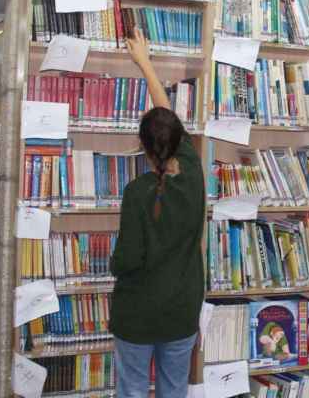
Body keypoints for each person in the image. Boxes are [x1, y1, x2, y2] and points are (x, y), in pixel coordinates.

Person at [110, 28, 205, 397]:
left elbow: (127, 259)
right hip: (181, 312)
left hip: (139, 315)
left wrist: (115, 265)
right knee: (173, 390)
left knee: (132, 390)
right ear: (179, 141)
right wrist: (146, 64)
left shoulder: (138, 193)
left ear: (145, 150)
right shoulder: (194, 173)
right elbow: (168, 118)